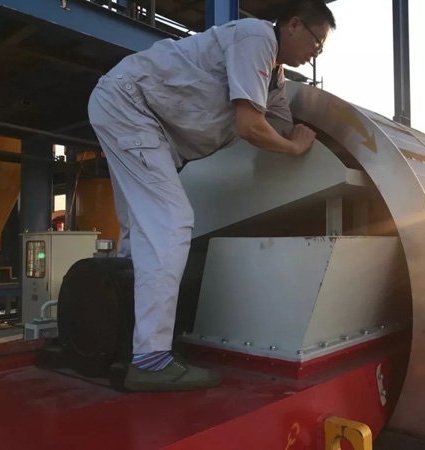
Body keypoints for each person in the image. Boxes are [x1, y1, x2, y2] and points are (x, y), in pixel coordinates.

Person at [87, 0, 336, 391]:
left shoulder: (274, 79)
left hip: (143, 122)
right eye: (316, 43)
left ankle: (118, 333)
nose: (315, 54)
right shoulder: (256, 38)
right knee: (171, 223)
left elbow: (277, 125)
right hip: (132, 106)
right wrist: (293, 148)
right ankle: (150, 359)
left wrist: (299, 140)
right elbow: (251, 126)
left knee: (141, 231)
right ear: (293, 25)